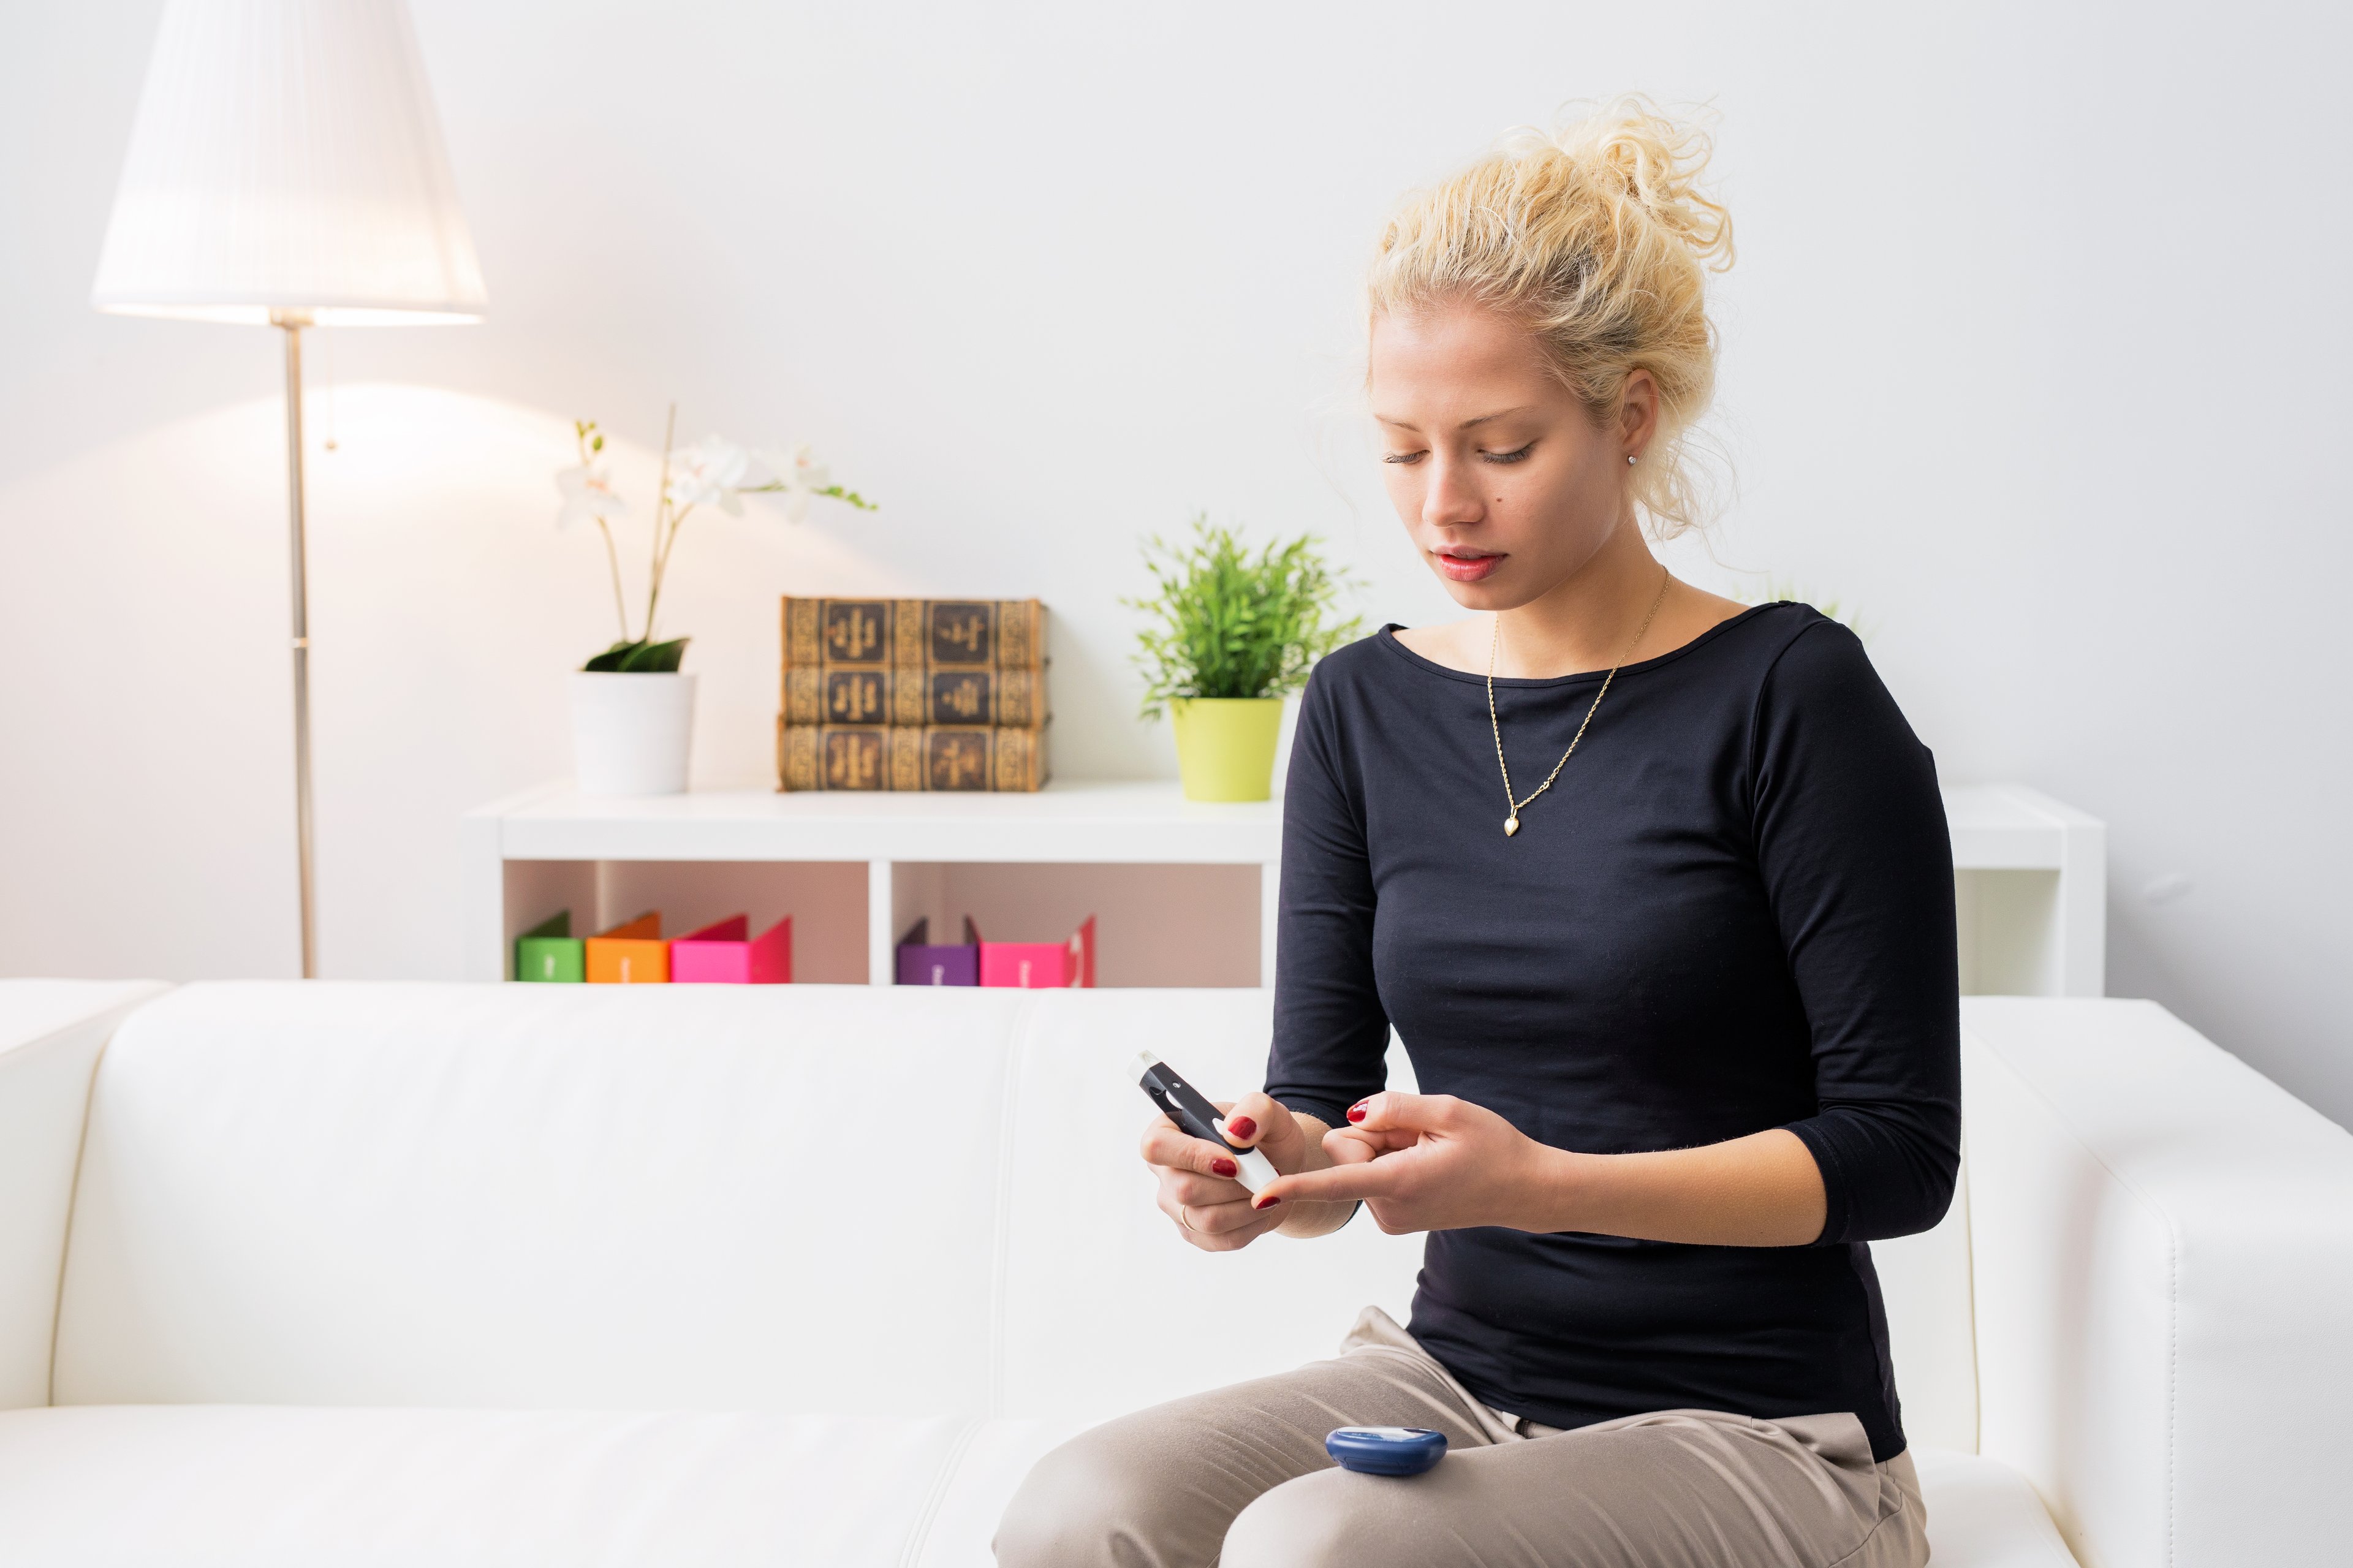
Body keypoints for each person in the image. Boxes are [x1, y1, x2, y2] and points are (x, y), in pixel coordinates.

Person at [996, 96, 1957, 1568]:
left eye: (1502, 445)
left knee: (1322, 1546)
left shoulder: (1791, 693)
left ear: (1630, 415)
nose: (1444, 502)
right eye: (1403, 447)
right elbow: (1320, 1096)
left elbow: (1901, 1155)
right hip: (1454, 1378)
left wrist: (1541, 1181)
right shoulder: (1364, 705)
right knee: (1079, 1508)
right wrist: (1264, 1175)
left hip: (1768, 1433)